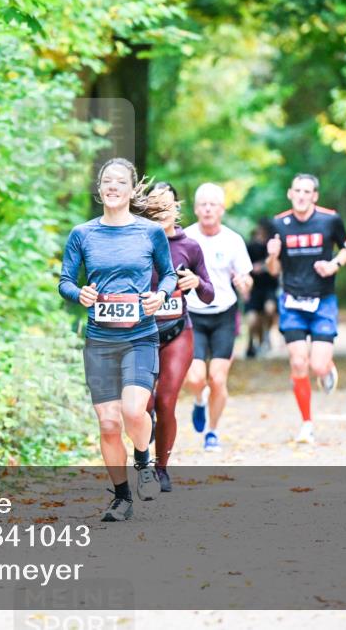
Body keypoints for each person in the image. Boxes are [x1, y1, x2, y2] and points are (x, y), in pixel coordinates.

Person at [58, 158, 178, 521]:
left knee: (131, 411)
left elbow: (169, 275)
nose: (112, 186)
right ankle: (122, 497)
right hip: (100, 341)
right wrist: (78, 294)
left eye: (119, 182)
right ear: (99, 189)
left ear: (130, 190)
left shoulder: (149, 232)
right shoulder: (82, 234)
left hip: (140, 336)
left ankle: (143, 460)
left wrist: (160, 295)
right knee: (108, 423)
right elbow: (64, 281)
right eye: (106, 181)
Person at [266, 173, 346, 445]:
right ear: (290, 194)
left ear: (315, 196)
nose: (302, 196)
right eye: (297, 191)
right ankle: (306, 423)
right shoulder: (279, 224)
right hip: (292, 302)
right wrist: (271, 255)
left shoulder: (330, 220)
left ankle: (326, 369)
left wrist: (334, 265)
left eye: (307, 191)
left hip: (323, 300)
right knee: (297, 361)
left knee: (317, 364)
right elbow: (273, 270)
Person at [140, 183, 214, 492]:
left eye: (166, 204)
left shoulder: (190, 246)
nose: (161, 210)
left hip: (177, 332)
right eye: (154, 204)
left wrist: (196, 281)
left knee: (166, 400)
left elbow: (209, 294)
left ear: (176, 208)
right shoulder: (136, 242)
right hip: (141, 332)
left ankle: (162, 469)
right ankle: (142, 457)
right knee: (142, 405)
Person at [183, 183, 253, 452]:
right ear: (196, 209)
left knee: (219, 379)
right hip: (193, 315)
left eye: (213, 204)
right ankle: (199, 400)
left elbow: (246, 279)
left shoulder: (233, 240)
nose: (208, 208)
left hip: (224, 314)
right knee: (195, 378)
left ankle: (212, 431)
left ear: (222, 209)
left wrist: (244, 283)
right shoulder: (186, 239)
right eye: (203, 204)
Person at [245, 219, 280, 358]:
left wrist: (264, 267)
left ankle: (266, 335)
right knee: (253, 320)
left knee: (270, 309)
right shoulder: (250, 246)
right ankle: (251, 343)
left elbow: (278, 266)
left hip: (270, 287)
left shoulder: (272, 246)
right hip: (254, 288)